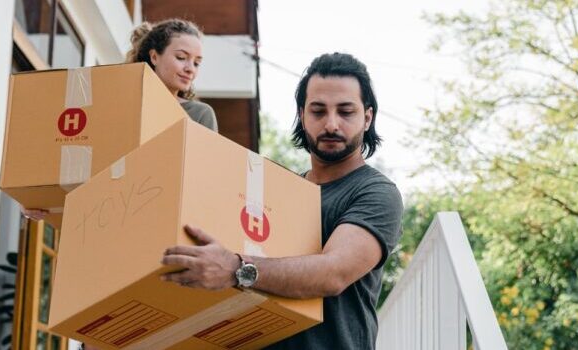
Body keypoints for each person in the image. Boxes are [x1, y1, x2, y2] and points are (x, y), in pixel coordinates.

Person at [160, 52, 404, 349]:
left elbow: (333, 273)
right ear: (302, 116)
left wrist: (236, 268)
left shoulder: (376, 192)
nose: (331, 124)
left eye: (345, 111)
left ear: (367, 117)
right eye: (318, 111)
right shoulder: (281, 193)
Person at [23, 19, 217, 222]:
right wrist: (39, 195)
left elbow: (202, 184)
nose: (190, 69)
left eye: (196, 63)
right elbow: (80, 163)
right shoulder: (116, 107)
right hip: (105, 221)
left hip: (163, 222)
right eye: (181, 57)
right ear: (154, 56)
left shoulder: (199, 115)